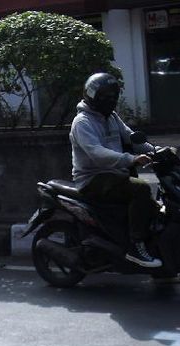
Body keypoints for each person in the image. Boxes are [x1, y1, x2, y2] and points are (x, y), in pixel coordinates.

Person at [70, 72, 162, 268]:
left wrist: (157, 151)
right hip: (92, 178)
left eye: (113, 96)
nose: (111, 100)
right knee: (141, 189)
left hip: (114, 176)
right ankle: (135, 247)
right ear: (94, 96)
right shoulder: (83, 122)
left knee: (154, 209)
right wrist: (131, 159)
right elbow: (97, 153)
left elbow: (131, 137)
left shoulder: (111, 117)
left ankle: (159, 263)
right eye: (106, 97)